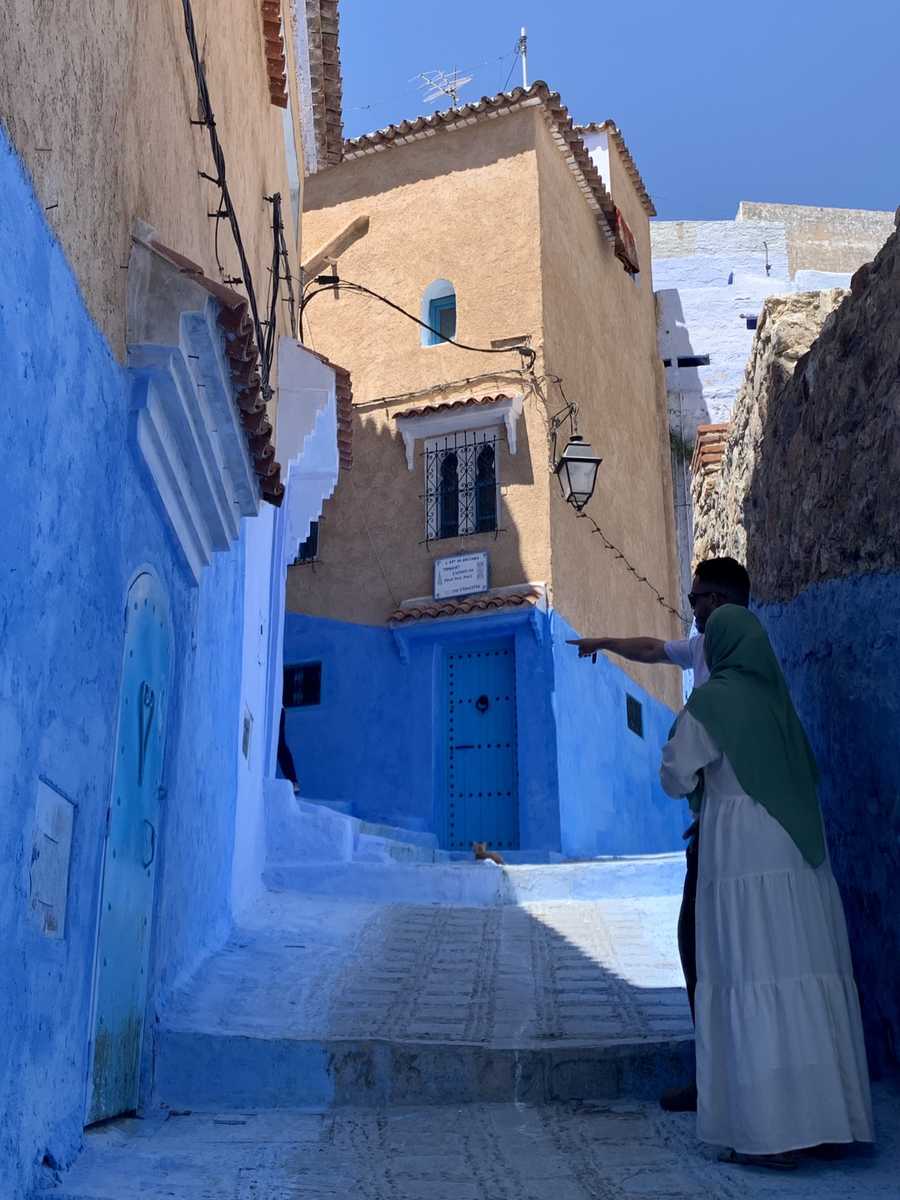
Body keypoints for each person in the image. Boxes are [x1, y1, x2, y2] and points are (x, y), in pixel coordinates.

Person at [660, 605, 872, 1169]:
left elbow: (675, 773)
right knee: (803, 975)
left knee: (749, 974)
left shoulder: (712, 702)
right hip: (801, 861)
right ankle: (826, 1123)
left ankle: (771, 1136)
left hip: (741, 858)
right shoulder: (780, 702)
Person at [567, 557, 751, 1112]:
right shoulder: (711, 652)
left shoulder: (729, 676)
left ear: (719, 602)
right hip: (726, 828)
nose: (691, 608)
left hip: (728, 832)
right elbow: (652, 648)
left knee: (702, 942)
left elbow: (681, 772)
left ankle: (717, 1077)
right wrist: (603, 639)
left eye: (698, 598)